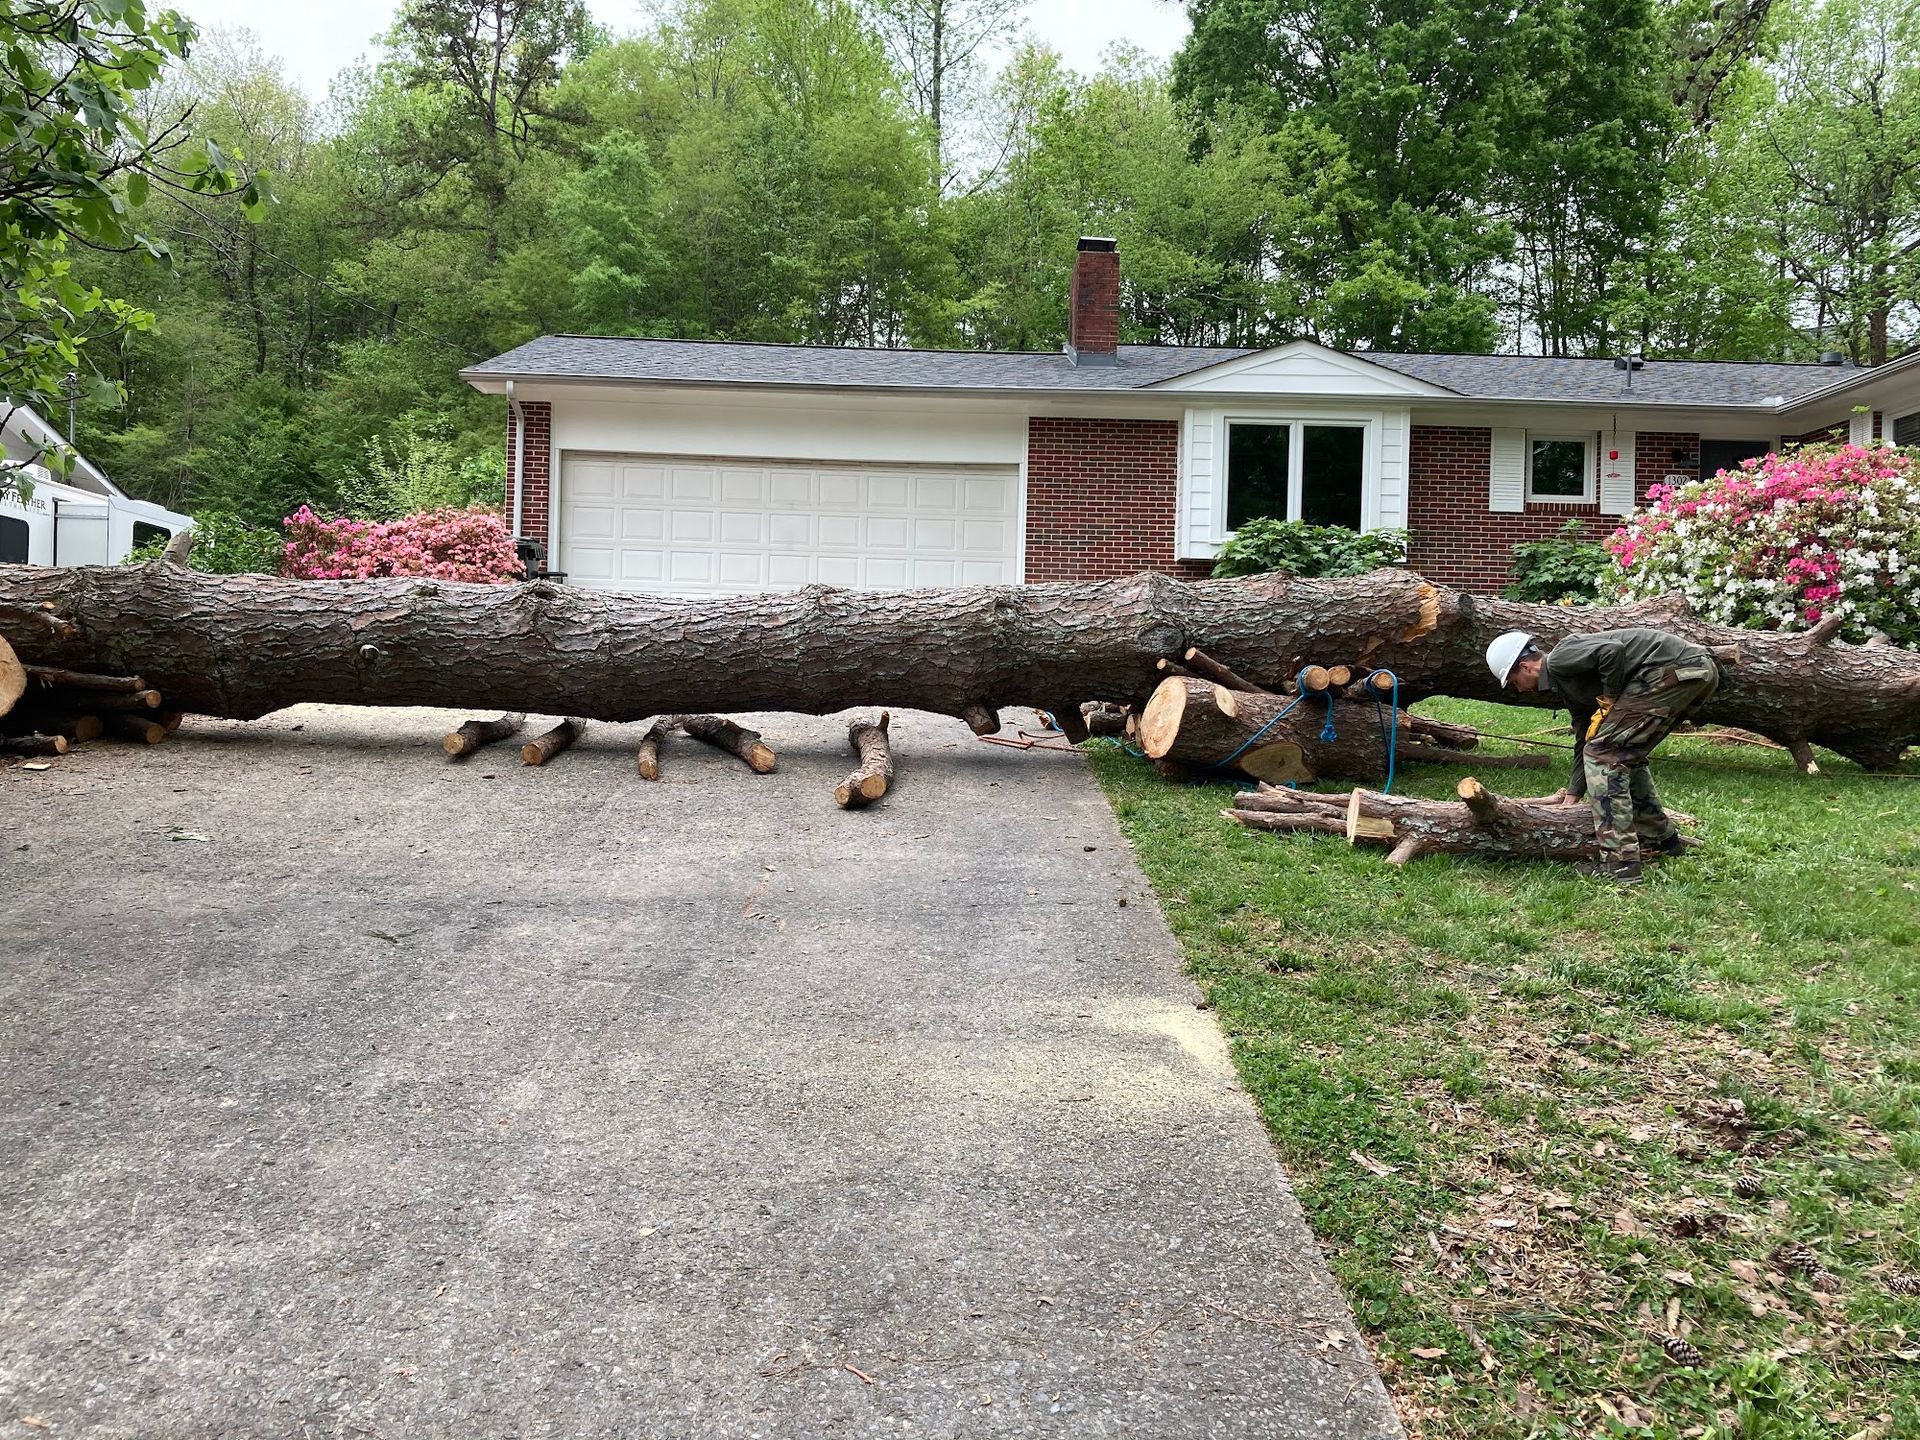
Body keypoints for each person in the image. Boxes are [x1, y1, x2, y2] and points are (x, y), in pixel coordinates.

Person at [1485, 627, 1721, 884]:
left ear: (1526, 666)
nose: (1517, 689)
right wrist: (1573, 793)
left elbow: (1612, 651)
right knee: (1622, 754)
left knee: (1606, 756)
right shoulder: (1568, 686)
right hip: (1695, 672)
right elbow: (1584, 738)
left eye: (1513, 681)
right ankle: (1662, 839)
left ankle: (1620, 864)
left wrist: (1609, 699)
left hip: (1673, 670)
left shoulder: (1560, 657)